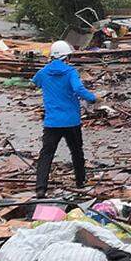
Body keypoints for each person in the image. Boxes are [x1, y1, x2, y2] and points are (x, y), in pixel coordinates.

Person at [32, 41, 97, 197]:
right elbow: (78, 88)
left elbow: (35, 83)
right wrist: (92, 98)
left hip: (52, 122)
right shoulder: (70, 72)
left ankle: (41, 188)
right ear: (66, 57)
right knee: (76, 151)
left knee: (46, 154)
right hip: (71, 120)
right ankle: (80, 181)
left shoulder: (43, 72)